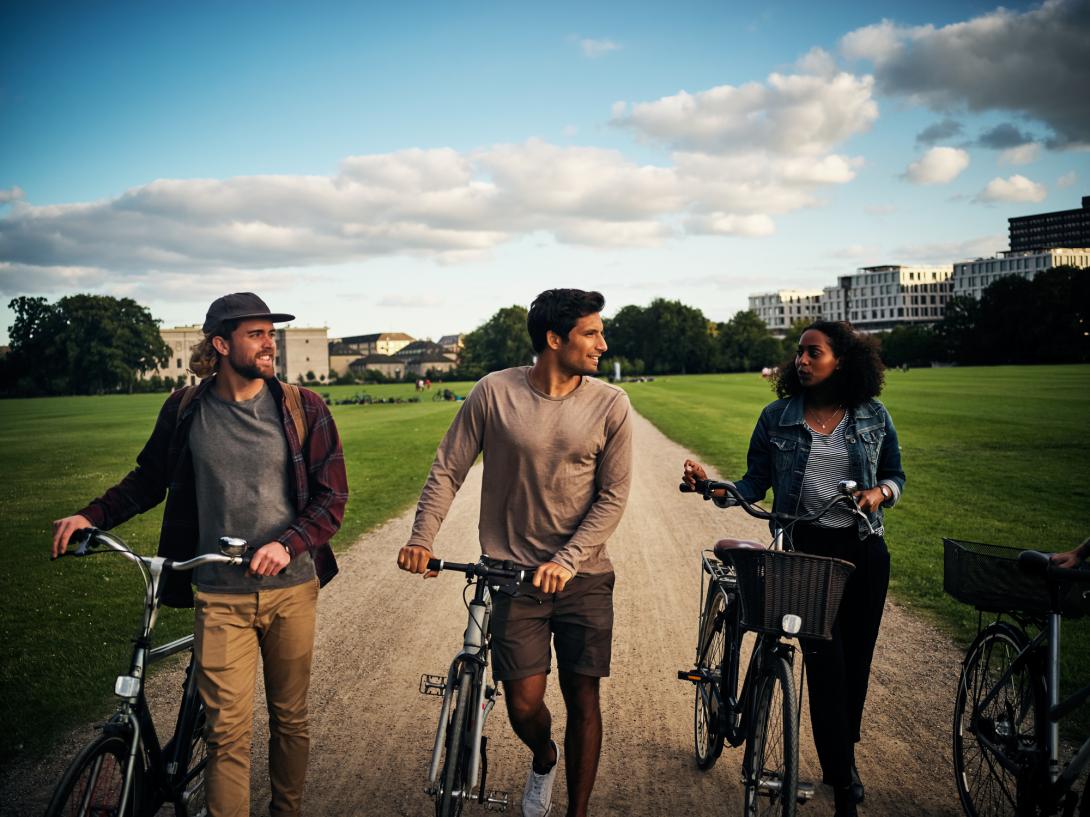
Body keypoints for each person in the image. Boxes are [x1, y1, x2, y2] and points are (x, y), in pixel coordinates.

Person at [51, 293, 349, 817]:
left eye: (269, 333)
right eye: (256, 334)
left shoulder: (305, 407)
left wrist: (286, 543)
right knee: (226, 735)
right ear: (220, 343)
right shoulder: (186, 409)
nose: (269, 343)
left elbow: (332, 499)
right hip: (219, 596)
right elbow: (148, 480)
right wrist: (90, 517)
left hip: (291, 591)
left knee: (290, 719)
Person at [397, 288, 632, 817]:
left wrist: (567, 560)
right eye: (590, 333)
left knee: (583, 696)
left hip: (584, 578)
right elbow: (448, 468)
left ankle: (577, 811)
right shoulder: (493, 392)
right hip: (510, 576)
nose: (602, 342)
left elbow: (613, 497)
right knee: (524, 704)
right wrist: (421, 537)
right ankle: (544, 756)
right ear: (554, 339)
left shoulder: (611, 403)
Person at [682, 320, 904, 817]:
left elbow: (896, 474)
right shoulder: (777, 417)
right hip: (804, 554)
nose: (801, 361)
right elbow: (754, 483)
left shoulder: (871, 415)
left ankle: (838, 761)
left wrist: (879, 492)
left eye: (814, 353)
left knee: (856, 666)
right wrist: (710, 486)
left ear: (841, 361)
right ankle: (844, 780)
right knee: (826, 663)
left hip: (865, 550)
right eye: (799, 354)